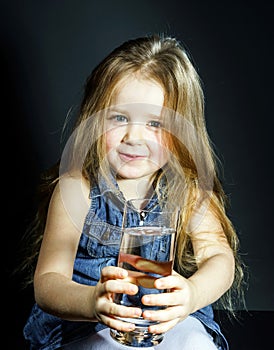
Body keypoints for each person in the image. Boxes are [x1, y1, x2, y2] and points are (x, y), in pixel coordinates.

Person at [20, 34, 245, 349]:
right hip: (87, 328)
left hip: (160, 324)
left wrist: (192, 294)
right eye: (119, 118)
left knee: (195, 342)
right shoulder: (78, 189)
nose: (133, 137)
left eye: (155, 124)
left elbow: (219, 258)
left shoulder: (187, 191)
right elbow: (48, 284)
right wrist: (92, 302)